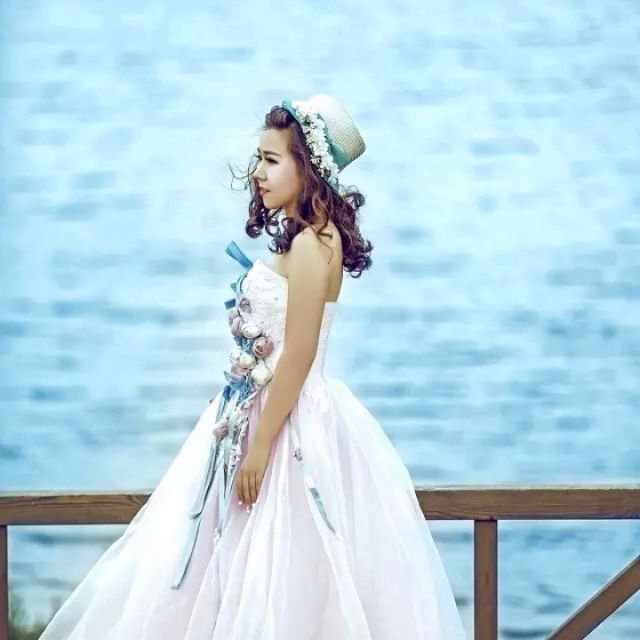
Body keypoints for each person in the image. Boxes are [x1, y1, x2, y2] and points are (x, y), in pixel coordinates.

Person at [38, 93, 467, 639]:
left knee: (277, 569)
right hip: (262, 409)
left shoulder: (312, 245)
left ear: (306, 166)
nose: (258, 173)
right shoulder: (311, 237)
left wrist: (261, 446)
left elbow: (300, 353)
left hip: (288, 426)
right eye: (258, 159)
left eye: (271, 160)